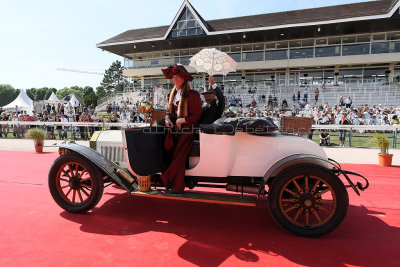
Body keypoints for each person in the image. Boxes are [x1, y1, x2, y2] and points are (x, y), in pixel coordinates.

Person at [161, 64, 202, 194]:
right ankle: (172, 183)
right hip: (175, 130)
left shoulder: (193, 94)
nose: (175, 79)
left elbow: (196, 115)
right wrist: (167, 118)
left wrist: (183, 120)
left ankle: (177, 186)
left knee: (178, 157)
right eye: (173, 77)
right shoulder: (172, 93)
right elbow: (169, 111)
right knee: (171, 155)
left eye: (178, 76)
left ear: (184, 78)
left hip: (187, 130)